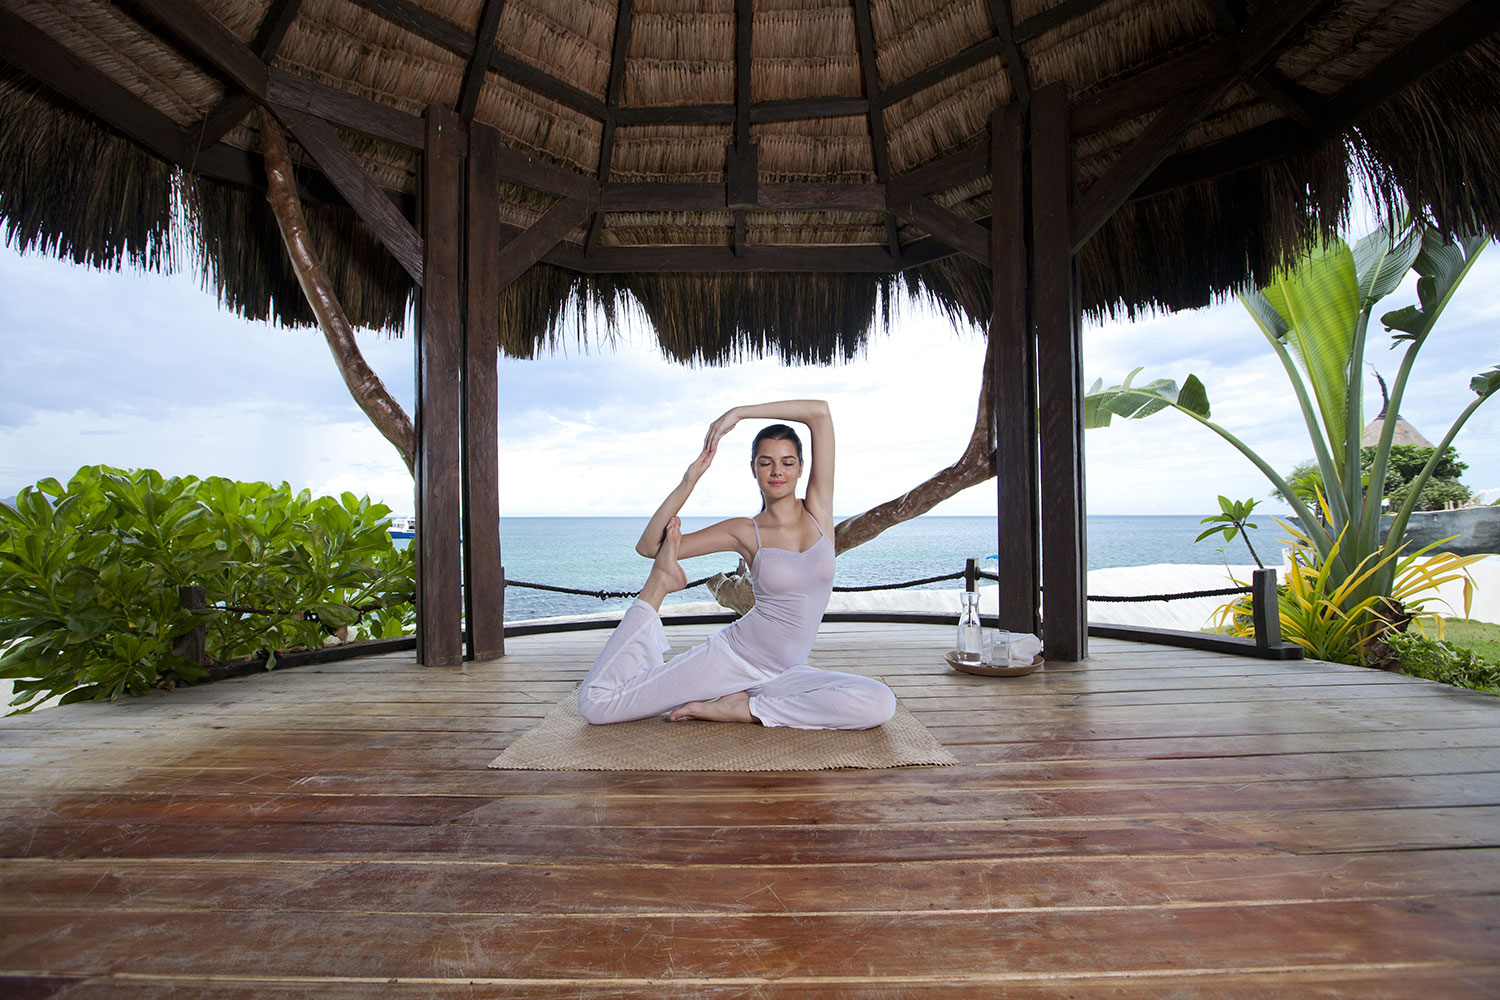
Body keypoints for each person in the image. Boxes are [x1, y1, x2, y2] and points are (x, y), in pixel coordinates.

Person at [576, 399, 898, 730]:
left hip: (784, 674)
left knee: (880, 702)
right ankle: (659, 584)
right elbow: (649, 546)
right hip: (731, 659)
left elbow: (819, 413)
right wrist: (690, 480)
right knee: (597, 706)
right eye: (766, 462)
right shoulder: (745, 530)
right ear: (753, 468)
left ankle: (745, 708)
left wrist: (740, 413)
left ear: (801, 467)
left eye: (787, 462)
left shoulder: (818, 511)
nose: (777, 471)